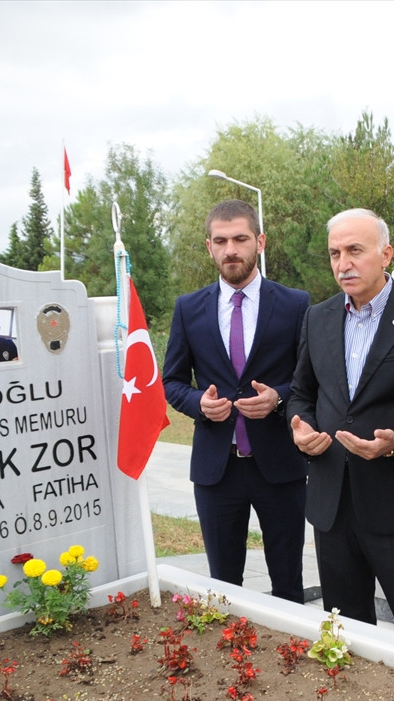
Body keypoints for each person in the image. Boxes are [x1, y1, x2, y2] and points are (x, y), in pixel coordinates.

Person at [288, 208, 394, 641]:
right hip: (332, 505)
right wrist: (300, 426)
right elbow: (301, 392)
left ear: (385, 255)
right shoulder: (317, 317)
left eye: (354, 250)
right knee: (345, 636)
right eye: (335, 253)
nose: (343, 263)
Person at [163, 200, 311, 603]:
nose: (231, 250)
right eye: (221, 241)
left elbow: (311, 377)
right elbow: (172, 381)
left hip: (279, 465)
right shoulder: (188, 308)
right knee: (223, 589)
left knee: (288, 585)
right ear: (209, 246)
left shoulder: (296, 304)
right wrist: (199, 403)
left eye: (240, 239)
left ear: (260, 242)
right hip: (217, 469)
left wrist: (278, 398)